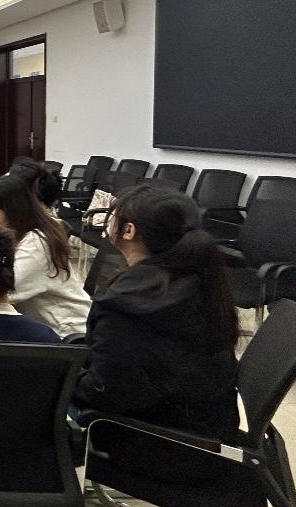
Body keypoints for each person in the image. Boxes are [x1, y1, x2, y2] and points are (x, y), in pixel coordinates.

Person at [74, 185, 241, 438]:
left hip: (157, 438)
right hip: (205, 424)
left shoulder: (126, 305)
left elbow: (103, 392)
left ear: (128, 231)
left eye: (113, 215)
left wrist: (61, 372)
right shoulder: (199, 278)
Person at [0, 175, 91, 340]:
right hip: (40, 327)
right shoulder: (23, 231)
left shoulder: (37, 244)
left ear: (13, 212)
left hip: (65, 332)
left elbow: (4, 291)